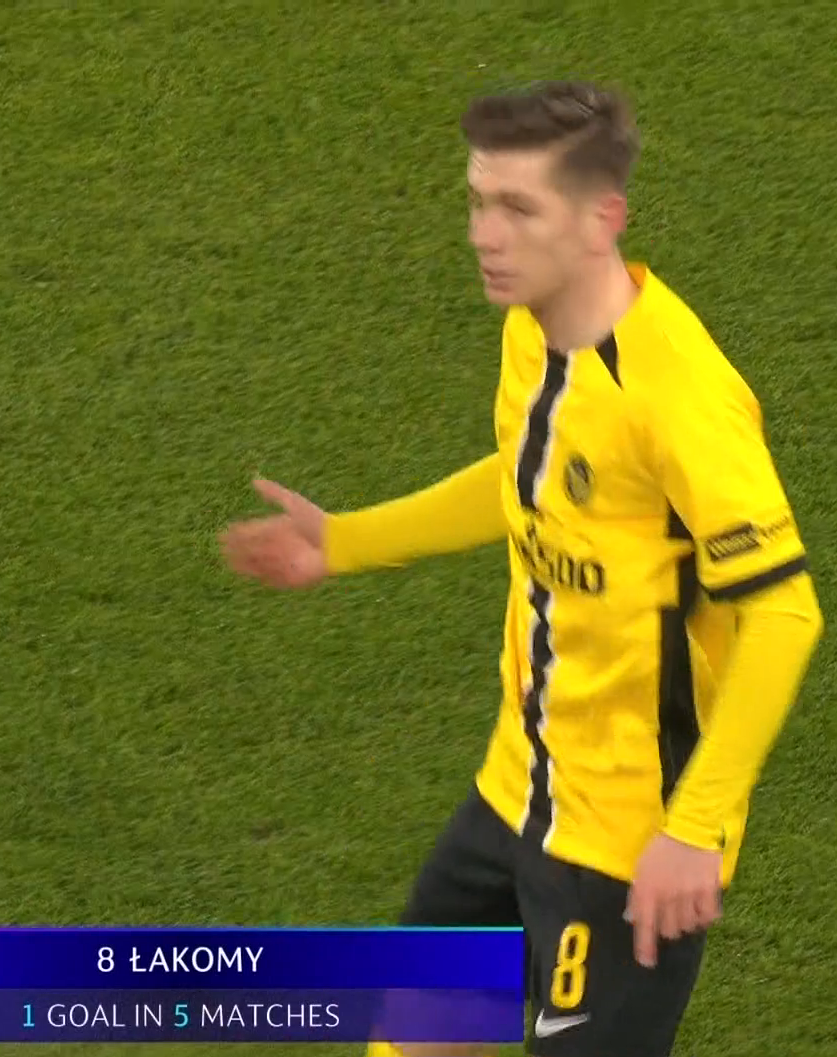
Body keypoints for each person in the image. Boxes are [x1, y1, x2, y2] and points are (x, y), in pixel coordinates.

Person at [221, 81, 823, 1057]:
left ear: (600, 219)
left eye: (515, 208)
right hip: (515, 795)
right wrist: (344, 542)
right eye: (476, 201)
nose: (482, 234)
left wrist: (692, 829)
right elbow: (526, 479)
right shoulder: (533, 333)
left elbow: (785, 615)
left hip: (627, 845)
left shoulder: (677, 400)